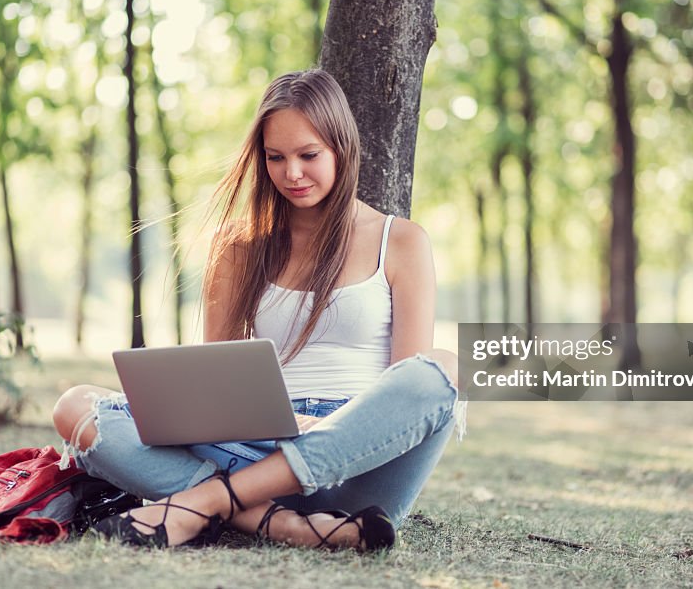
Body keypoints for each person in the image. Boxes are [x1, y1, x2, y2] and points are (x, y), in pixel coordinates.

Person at [52, 69, 461, 551]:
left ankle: (206, 504)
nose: (292, 173)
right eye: (276, 157)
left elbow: (403, 393)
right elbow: (216, 388)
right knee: (76, 407)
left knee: (443, 370)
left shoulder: (403, 242)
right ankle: (288, 527)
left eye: (309, 155)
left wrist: (327, 429)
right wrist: (274, 424)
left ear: (342, 149)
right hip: (255, 447)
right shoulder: (240, 248)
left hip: (357, 463)